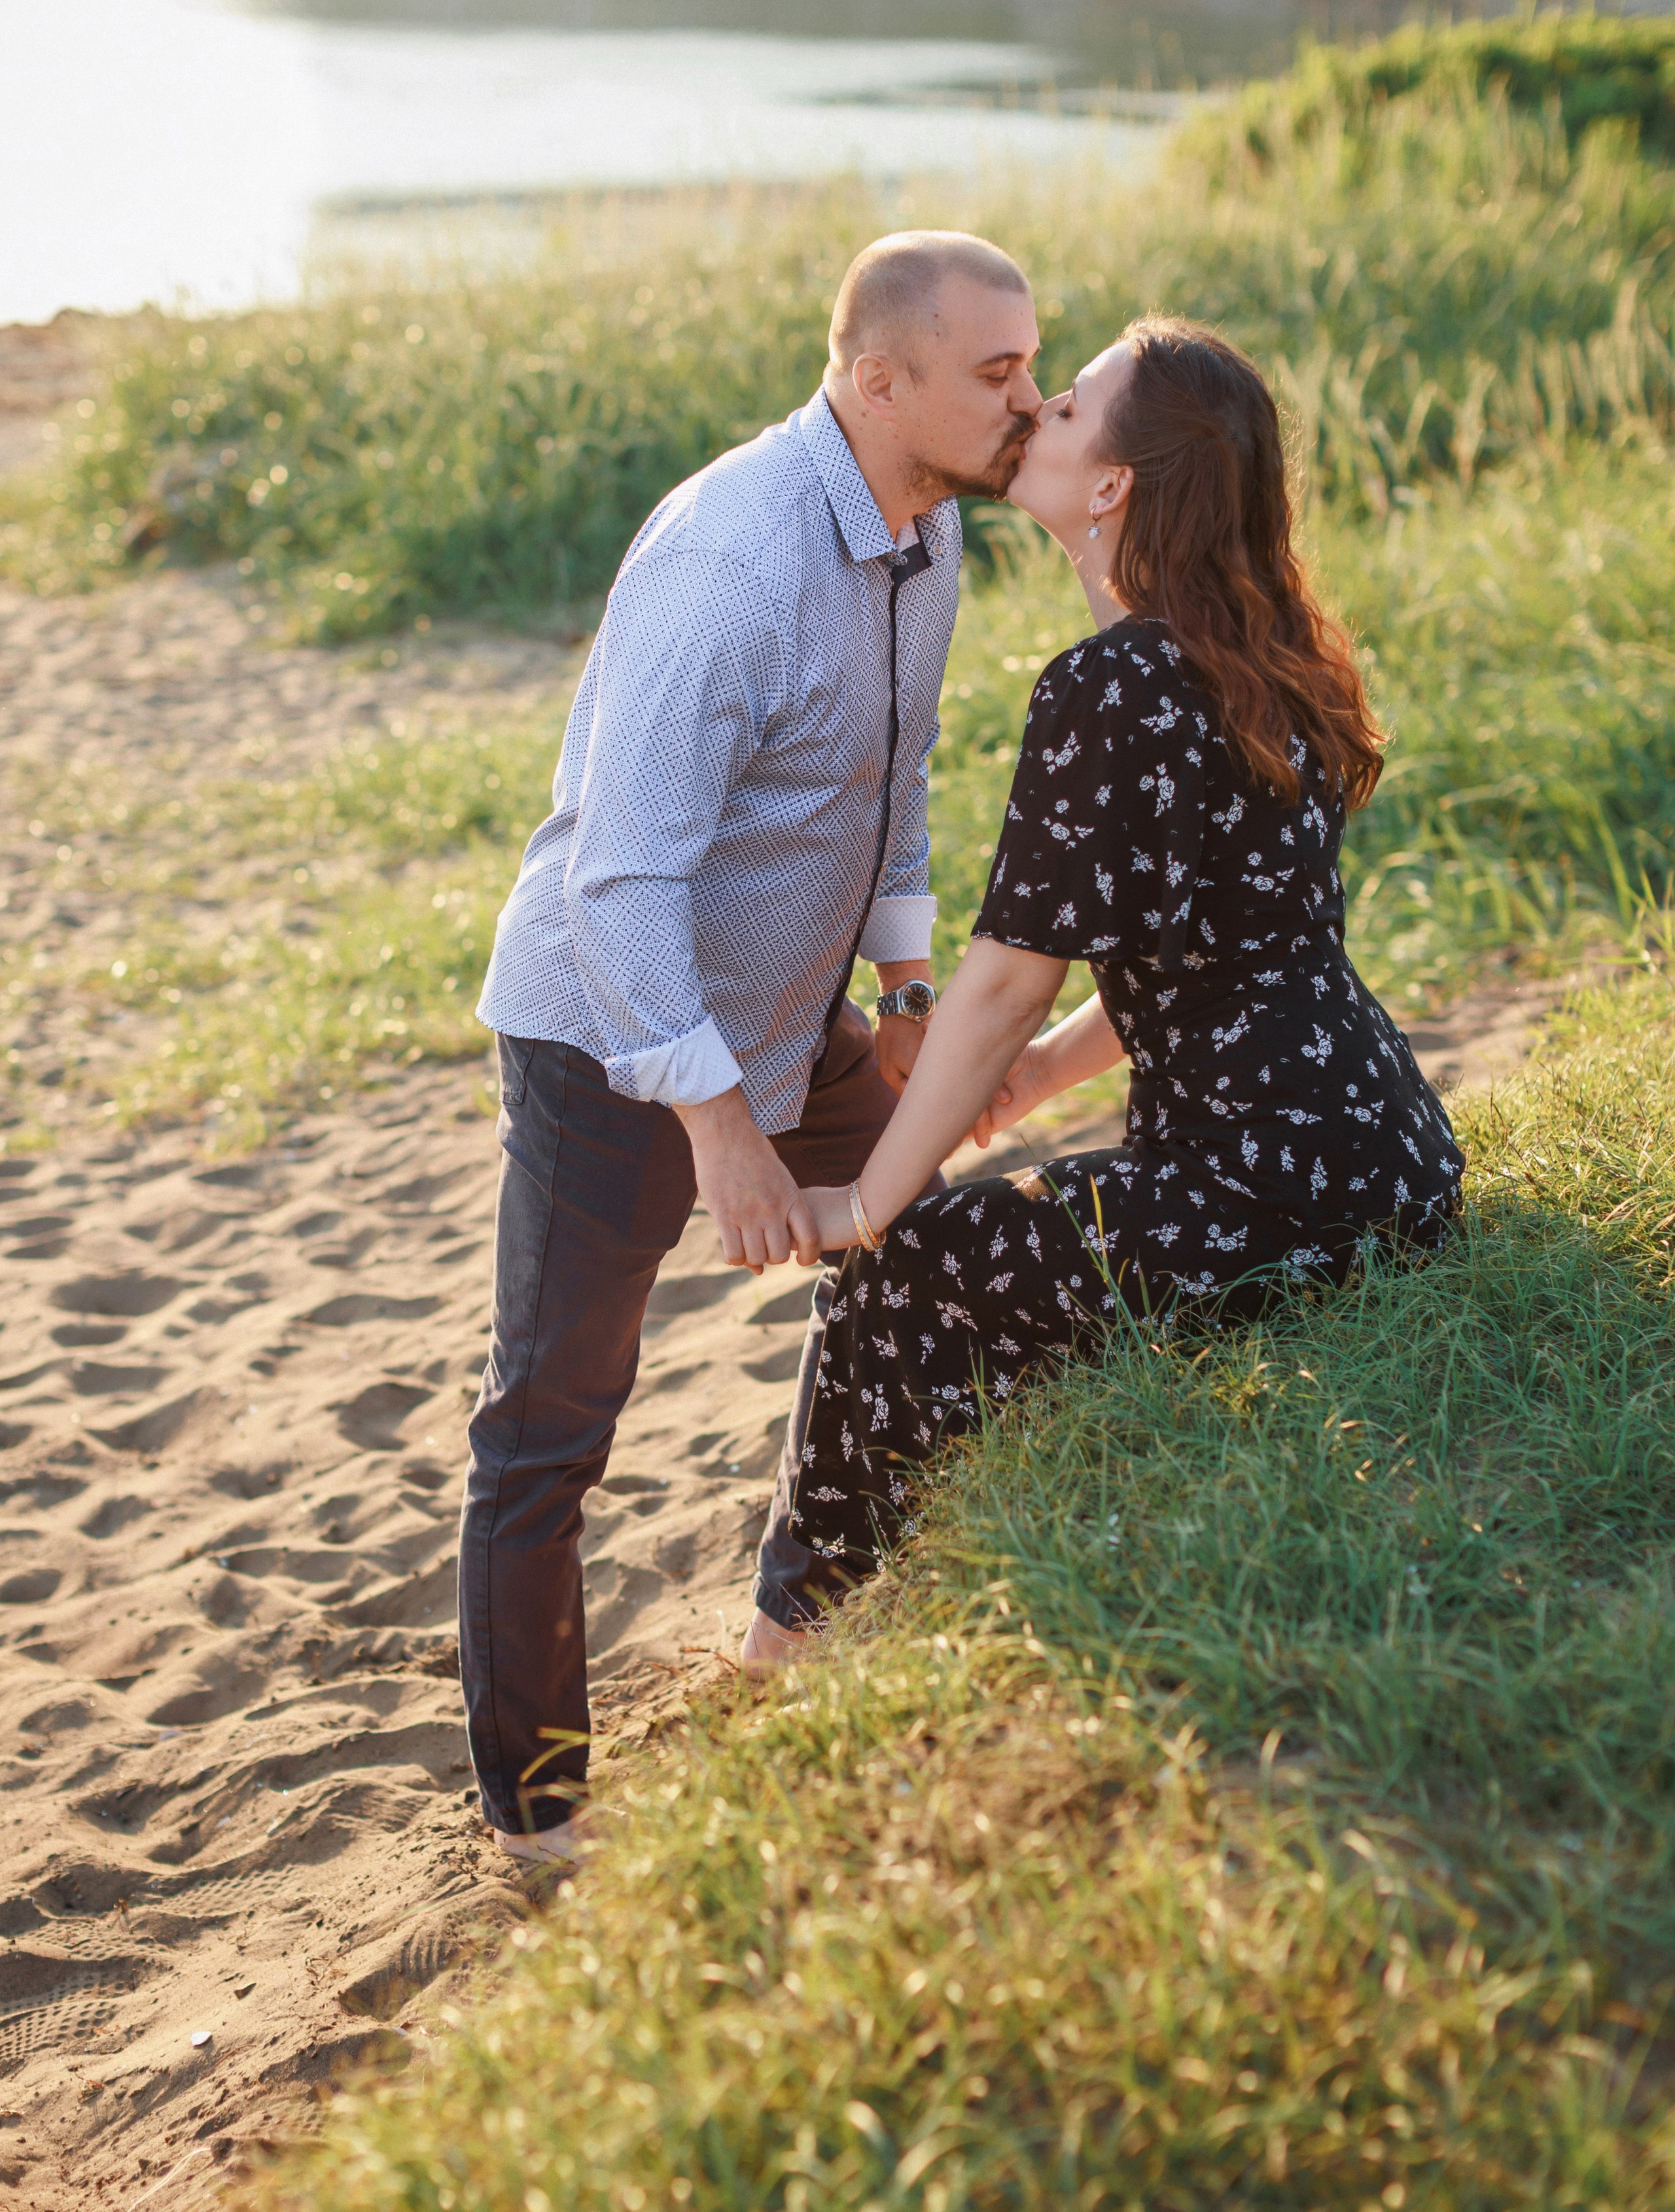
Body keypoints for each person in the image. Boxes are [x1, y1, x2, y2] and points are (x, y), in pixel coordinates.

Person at [745, 317, 1465, 1652]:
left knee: (893, 1276)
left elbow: (1005, 981)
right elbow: (1233, 958)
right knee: (978, 1258)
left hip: (1264, 1191)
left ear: (1112, 485)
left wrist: (868, 1197)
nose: (1036, 412)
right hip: (1396, 1160)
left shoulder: (1114, 682)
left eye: (1066, 407)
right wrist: (1029, 1088)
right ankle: (899, 1586)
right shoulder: (1260, 654)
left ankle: (788, 1651)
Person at [461, 230, 1044, 1858]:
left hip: (803, 1024)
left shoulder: (929, 538)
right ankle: (541, 1817)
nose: (1033, 401)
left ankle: (820, 1621)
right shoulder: (734, 557)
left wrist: (914, 998)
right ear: (877, 381)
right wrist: (719, 1128)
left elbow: (890, 780)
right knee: (546, 1429)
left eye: (1032, 363)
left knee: (951, 1252)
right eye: (995, 373)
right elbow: (621, 875)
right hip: (612, 1040)